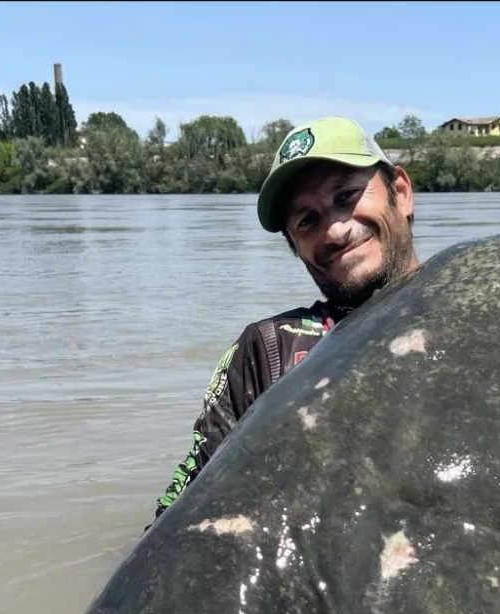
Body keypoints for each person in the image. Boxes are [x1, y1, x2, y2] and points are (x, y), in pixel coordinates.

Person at [150, 116, 421, 524]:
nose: (334, 229)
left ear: (400, 192)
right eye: (306, 220)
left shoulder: (483, 309)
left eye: (347, 195)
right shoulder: (268, 350)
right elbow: (177, 522)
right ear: (294, 245)